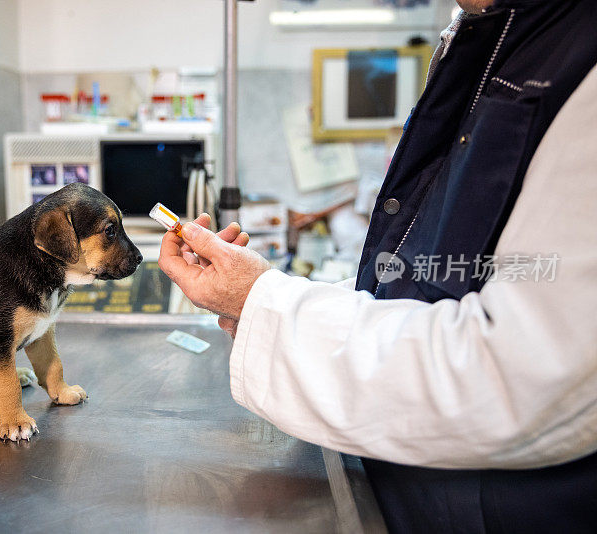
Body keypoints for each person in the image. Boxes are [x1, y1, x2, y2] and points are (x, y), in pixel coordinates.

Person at [158, 0, 597, 531]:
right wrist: (266, 305)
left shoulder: (580, 62)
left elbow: (522, 372)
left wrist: (265, 303)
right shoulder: (496, 35)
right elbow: (433, 280)